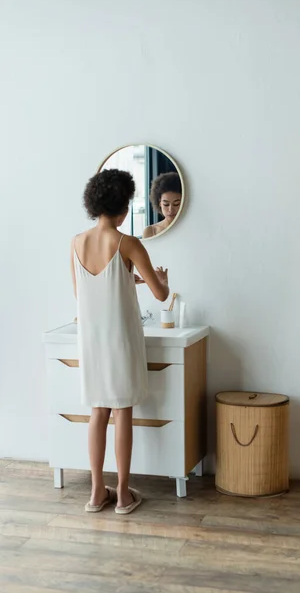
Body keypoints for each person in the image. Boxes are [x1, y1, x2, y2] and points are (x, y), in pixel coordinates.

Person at [71, 168, 169, 514]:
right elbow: (160, 296)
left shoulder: (77, 242)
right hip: (121, 341)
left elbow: (83, 295)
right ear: (124, 206)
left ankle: (97, 492)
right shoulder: (128, 243)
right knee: (122, 411)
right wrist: (160, 280)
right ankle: (124, 494)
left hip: (92, 341)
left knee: (98, 412)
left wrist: (128, 283)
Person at [142, 171, 182, 238]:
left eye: (176, 204)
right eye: (166, 204)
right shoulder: (150, 231)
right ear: (159, 203)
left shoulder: (192, 229)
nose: (170, 210)